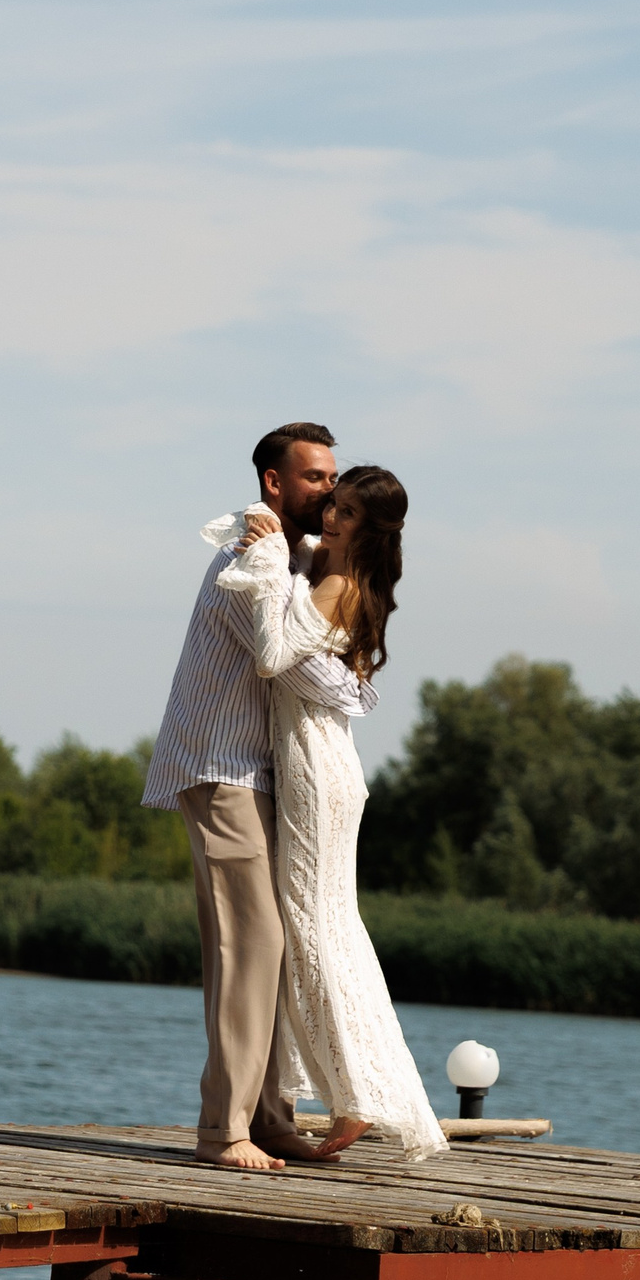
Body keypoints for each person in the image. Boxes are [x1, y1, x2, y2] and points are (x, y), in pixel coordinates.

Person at [141, 423, 380, 1172]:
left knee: (279, 944)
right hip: (219, 767)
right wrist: (358, 691)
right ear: (274, 483)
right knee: (250, 944)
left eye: (334, 478)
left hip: (261, 772)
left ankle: (271, 1119)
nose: (329, 491)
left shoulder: (298, 557)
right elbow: (293, 667)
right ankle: (224, 1130)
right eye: (314, 478)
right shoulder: (252, 557)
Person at [216, 467, 448, 1164]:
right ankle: (357, 1093)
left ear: (369, 530)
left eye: (346, 513)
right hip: (317, 763)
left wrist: (267, 562)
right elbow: (301, 563)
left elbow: (272, 655)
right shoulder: (325, 565)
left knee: (315, 932)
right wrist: (281, 546)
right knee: (326, 928)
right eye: (334, 505)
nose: (331, 517)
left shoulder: (340, 584)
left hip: (318, 770)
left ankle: (357, 1100)